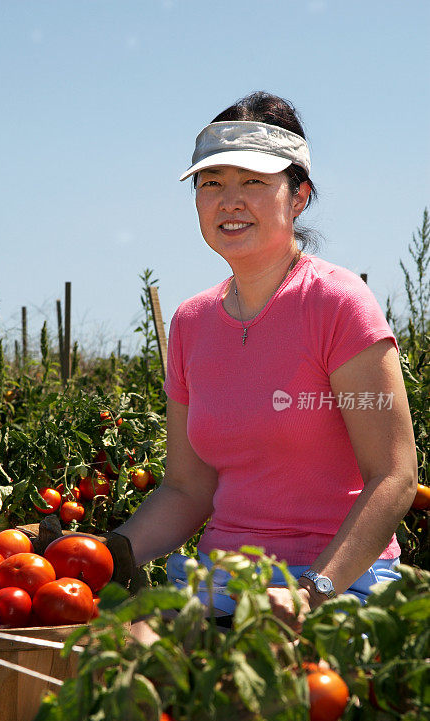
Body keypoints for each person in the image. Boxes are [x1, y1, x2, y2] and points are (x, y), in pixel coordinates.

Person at [103, 91, 418, 632]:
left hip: (340, 584)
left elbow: (394, 476)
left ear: (298, 197)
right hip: (220, 583)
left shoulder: (336, 304)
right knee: (107, 664)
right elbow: (187, 489)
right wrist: (103, 557)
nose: (230, 201)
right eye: (212, 183)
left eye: (254, 182)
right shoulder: (191, 322)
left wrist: (312, 590)